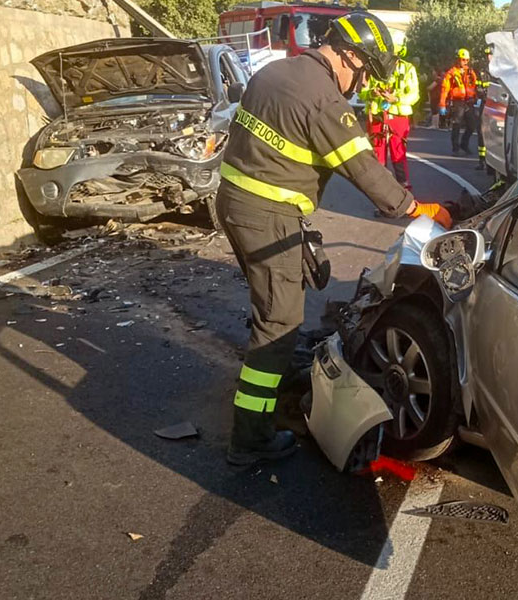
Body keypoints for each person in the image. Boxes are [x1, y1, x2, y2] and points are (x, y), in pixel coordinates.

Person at [215, 12, 452, 466]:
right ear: (347, 55)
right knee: (277, 328)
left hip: (234, 203)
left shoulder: (275, 72)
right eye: (362, 72)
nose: (359, 84)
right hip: (269, 216)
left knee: (270, 306)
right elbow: (363, 167)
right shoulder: (323, 98)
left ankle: (273, 380)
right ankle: (251, 437)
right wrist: (413, 209)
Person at [359, 30, 419, 189]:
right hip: (378, 115)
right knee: (378, 155)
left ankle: (403, 189)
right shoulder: (374, 69)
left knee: (398, 153)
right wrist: (372, 93)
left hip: (398, 116)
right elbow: (363, 92)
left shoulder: (407, 69)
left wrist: (396, 99)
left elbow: (414, 95)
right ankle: (382, 193)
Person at [439, 48, 478, 155]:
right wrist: (442, 104)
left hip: (469, 102)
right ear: (458, 60)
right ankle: (455, 148)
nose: (465, 62)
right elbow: (444, 89)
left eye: (466, 60)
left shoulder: (470, 72)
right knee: (456, 124)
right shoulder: (451, 73)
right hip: (458, 102)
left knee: (472, 125)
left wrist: (476, 97)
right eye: (463, 59)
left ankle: (464, 144)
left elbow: (475, 85)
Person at [474, 45, 493, 170]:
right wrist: (482, 92)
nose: (489, 57)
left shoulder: (501, 70)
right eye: (487, 55)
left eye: (490, 54)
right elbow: (478, 87)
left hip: (497, 105)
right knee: (481, 131)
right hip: (485, 104)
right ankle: (482, 160)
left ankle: (492, 161)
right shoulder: (482, 71)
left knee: (494, 133)